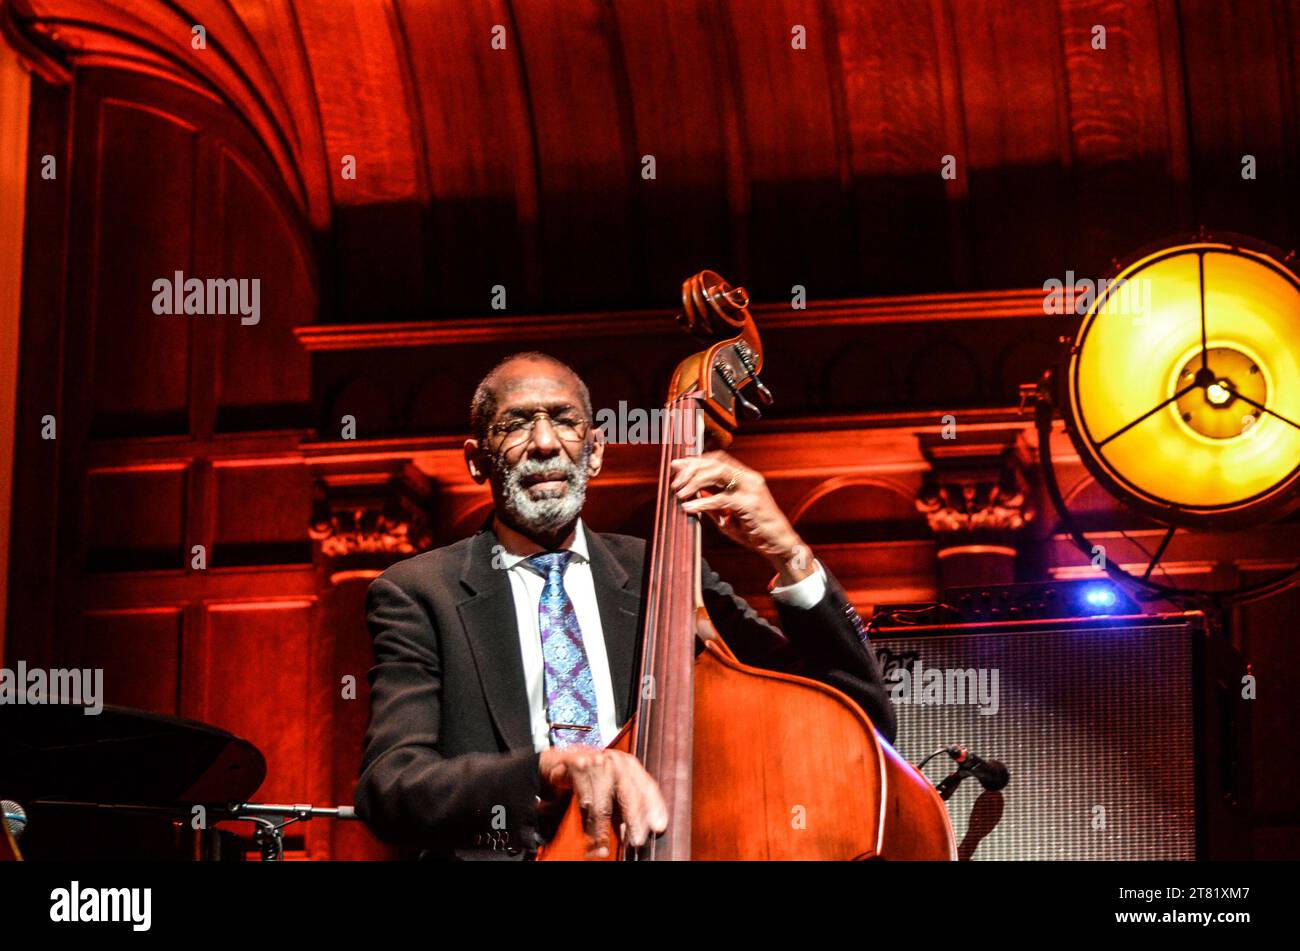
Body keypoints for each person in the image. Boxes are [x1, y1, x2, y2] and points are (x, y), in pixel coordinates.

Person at [354, 351, 895, 860]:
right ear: (477, 461)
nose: (544, 442)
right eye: (515, 425)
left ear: (595, 452)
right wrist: (548, 769)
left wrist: (788, 553)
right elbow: (390, 786)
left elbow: (856, 717)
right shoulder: (419, 592)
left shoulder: (663, 573)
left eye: (564, 421)